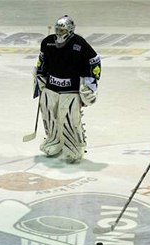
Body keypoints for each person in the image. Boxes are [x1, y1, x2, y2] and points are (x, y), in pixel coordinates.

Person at [33, 15, 101, 163]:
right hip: (50, 87)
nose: (59, 32)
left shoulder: (80, 44)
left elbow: (94, 62)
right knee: (49, 115)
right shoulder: (47, 42)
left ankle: (74, 147)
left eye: (62, 29)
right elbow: (41, 61)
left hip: (71, 89)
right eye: (57, 28)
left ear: (70, 30)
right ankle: (53, 141)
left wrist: (90, 84)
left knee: (69, 118)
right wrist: (39, 76)